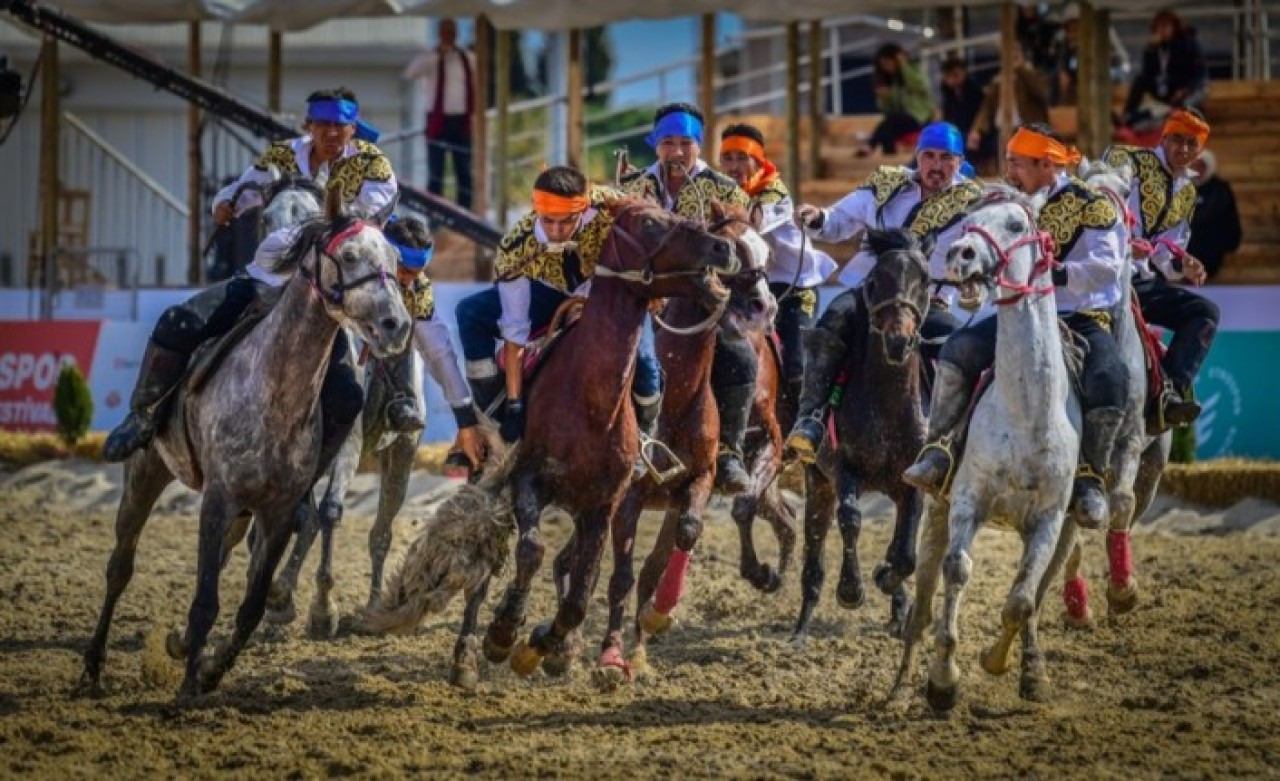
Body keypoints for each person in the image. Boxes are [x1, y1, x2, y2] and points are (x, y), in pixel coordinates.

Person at [104, 89, 395, 465]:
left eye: (340, 126)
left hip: (324, 295)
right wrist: (224, 204)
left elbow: (362, 221)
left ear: (353, 128)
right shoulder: (282, 155)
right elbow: (241, 189)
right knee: (178, 321)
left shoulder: (374, 166)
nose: (332, 134)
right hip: (267, 277)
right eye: (323, 125)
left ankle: (314, 476)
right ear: (309, 126)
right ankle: (143, 415)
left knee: (348, 396)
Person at [904, 123, 1129, 529]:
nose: (1009, 170)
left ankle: (1090, 479)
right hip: (1016, 314)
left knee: (1111, 377)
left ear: (1046, 164)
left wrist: (1055, 275)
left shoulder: (1093, 203)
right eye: (1008, 161)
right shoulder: (1003, 203)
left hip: (1079, 317)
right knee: (958, 349)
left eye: (1017, 163)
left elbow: (1109, 268)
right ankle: (938, 450)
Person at [785, 122, 984, 463]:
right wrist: (817, 217)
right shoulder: (886, 184)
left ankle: (950, 442)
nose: (936, 166)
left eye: (946, 159)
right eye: (929, 156)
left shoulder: (974, 203)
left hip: (927, 302)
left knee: (957, 346)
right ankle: (811, 419)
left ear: (959, 161)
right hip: (868, 291)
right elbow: (840, 220)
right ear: (917, 157)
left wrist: (972, 279)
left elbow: (980, 250)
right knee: (830, 322)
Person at [453, 166, 666, 450]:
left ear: (583, 209)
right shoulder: (515, 246)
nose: (555, 231)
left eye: (565, 222)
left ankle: (646, 438)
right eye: (547, 221)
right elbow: (515, 329)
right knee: (469, 311)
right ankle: (492, 414)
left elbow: (653, 231)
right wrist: (515, 403)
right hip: (548, 290)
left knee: (646, 362)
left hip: (614, 291)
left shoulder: (613, 207)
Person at [621, 102, 756, 491]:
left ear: (698, 145)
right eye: (668, 143)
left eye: (685, 143)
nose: (676, 152)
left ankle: (729, 452)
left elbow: (740, 255)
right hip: (640, 296)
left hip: (704, 300)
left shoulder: (727, 191)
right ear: (655, 145)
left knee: (740, 357)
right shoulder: (629, 189)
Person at [1104, 108, 1220, 426]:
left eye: (1191, 144)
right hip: (1103, 277)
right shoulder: (1126, 160)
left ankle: (1167, 394)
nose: (1183, 149)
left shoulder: (1188, 193)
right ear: (1164, 137)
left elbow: (1166, 262)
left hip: (1140, 284)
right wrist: (1124, 243)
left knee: (1205, 313)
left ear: (1200, 149)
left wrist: (1185, 264)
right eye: (1177, 140)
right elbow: (1098, 204)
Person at [718, 122, 838, 416]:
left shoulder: (775, 192)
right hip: (748, 287)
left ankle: (807, 427)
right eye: (728, 158)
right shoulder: (722, 190)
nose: (734, 166)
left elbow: (752, 224)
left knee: (797, 365)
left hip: (794, 290)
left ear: (757, 160)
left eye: (741, 158)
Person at [383, 216, 484, 471]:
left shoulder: (417, 290)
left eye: (415, 274)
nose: (407, 280)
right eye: (403, 271)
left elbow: (439, 353)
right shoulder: (354, 262)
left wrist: (465, 418)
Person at [404, 18, 476, 210]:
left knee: (464, 171)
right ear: (439, 34)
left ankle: (465, 213)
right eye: (445, 31)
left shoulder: (467, 58)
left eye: (451, 31)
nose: (448, 36)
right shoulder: (431, 57)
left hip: (462, 121)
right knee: (436, 171)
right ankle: (435, 215)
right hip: (438, 120)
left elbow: (478, 82)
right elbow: (410, 73)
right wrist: (435, 56)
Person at [1120, 10, 1209, 133]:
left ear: (1173, 27)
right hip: (1164, 89)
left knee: (1186, 103)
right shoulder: (1157, 47)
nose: (1162, 31)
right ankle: (1128, 115)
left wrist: (1186, 89)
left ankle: (1186, 119)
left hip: (1186, 89)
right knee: (1140, 80)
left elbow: (1200, 73)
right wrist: (1151, 49)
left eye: (1166, 26)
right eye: (1159, 27)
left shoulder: (1188, 43)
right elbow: (1148, 73)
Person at [967, 47, 1050, 173]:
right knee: (1008, 167)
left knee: (1030, 168)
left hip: (1029, 130)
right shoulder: (998, 81)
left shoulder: (1032, 75)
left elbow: (1042, 93)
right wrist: (977, 130)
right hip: (1004, 130)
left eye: (1015, 54)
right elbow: (986, 108)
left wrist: (1020, 69)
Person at [857, 43, 936, 158]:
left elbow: (918, 85)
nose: (886, 67)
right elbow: (887, 109)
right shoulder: (893, 81)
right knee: (887, 131)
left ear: (897, 60)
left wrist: (903, 64)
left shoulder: (913, 71)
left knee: (891, 120)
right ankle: (889, 162)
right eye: (883, 65)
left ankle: (870, 146)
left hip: (920, 118)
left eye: (887, 63)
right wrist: (884, 97)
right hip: (901, 121)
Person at [1186, 149, 1241, 281]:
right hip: (1184, 254)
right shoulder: (1181, 187)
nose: (1198, 170)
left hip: (1212, 253)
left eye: (1202, 166)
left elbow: (1229, 220)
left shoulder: (1219, 190)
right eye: (1195, 165)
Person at [940, 57, 985, 142]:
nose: (952, 80)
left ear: (964, 73)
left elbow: (981, 116)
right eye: (948, 77)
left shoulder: (975, 91)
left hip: (975, 132)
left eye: (955, 75)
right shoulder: (947, 94)